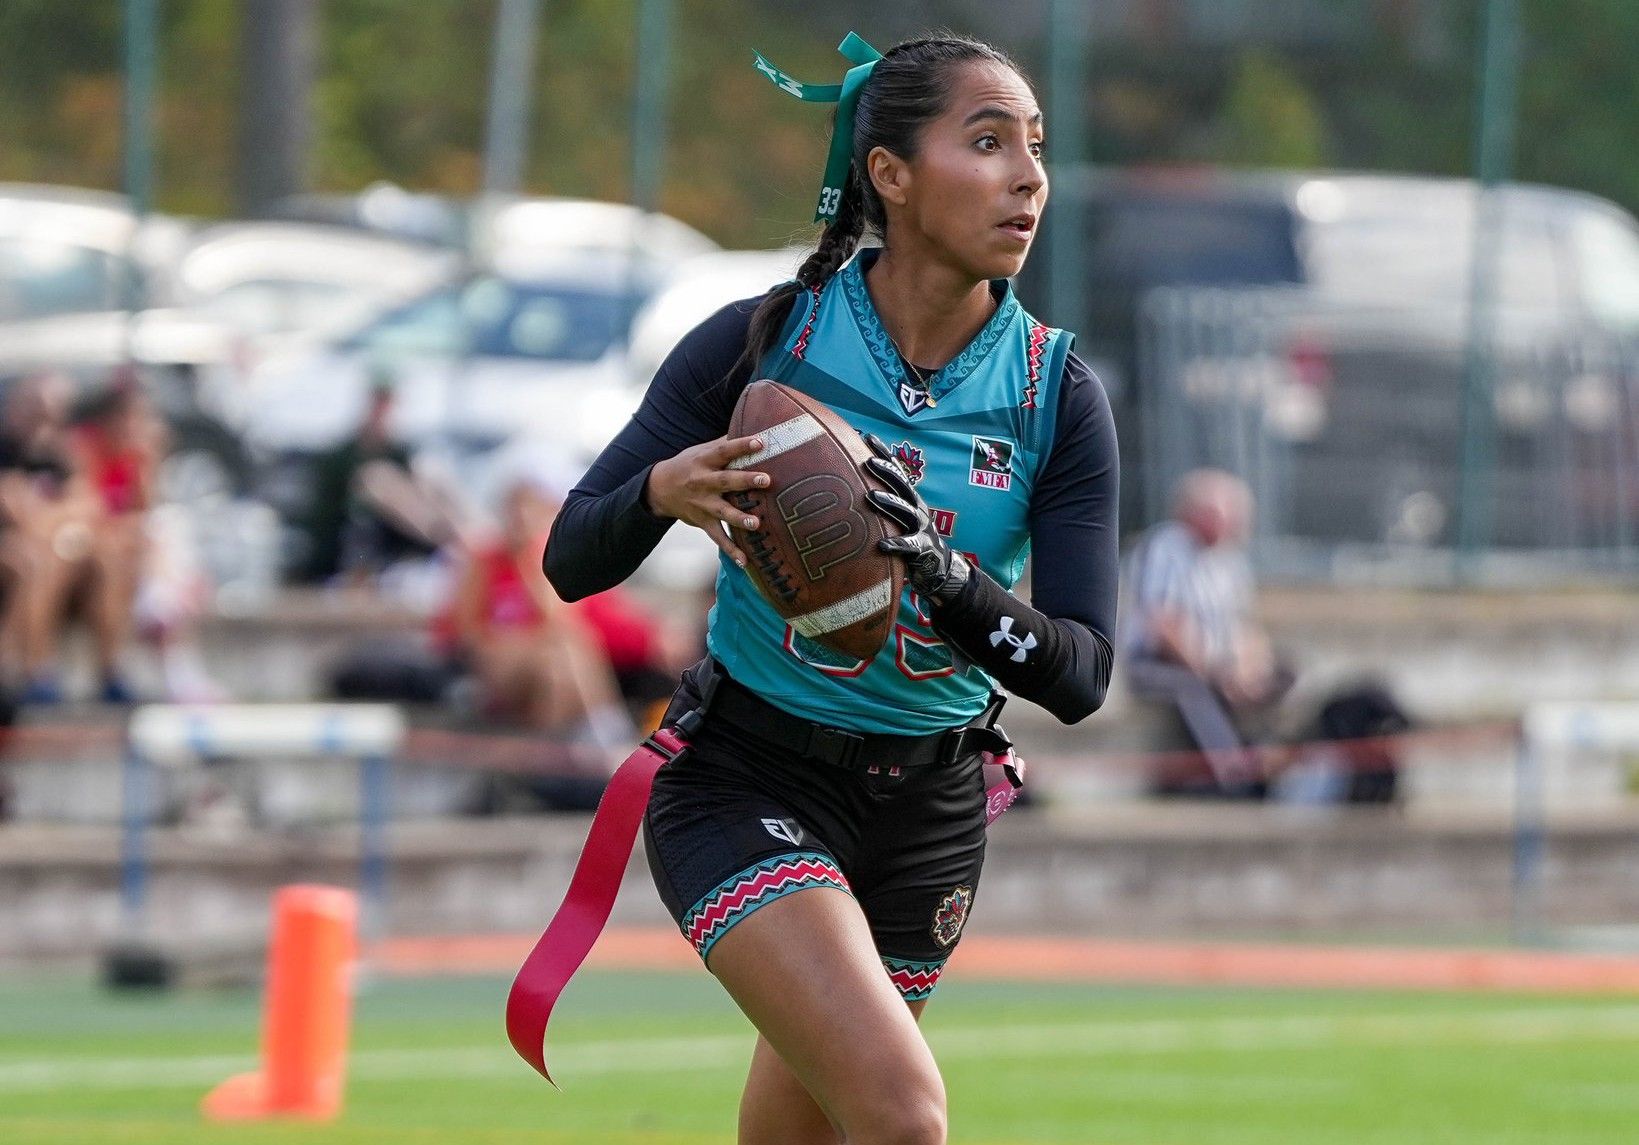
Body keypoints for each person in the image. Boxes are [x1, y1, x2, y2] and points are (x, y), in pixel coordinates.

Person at [544, 33, 1117, 1145]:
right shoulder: (761, 344)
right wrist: (662, 487)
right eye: (988, 141)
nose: (1028, 176)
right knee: (903, 1115)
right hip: (748, 778)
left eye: (1035, 147)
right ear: (889, 175)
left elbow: (1083, 674)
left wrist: (945, 581)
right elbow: (572, 557)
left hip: (931, 816)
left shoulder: (1056, 390)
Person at [1119, 468, 1292, 797]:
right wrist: (1215, 671)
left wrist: (1249, 668)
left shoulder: (1231, 561)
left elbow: (1244, 625)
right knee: (1191, 687)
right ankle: (1232, 773)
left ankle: (1269, 758)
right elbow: (1163, 624)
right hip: (1160, 664)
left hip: (1219, 665)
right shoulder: (1165, 548)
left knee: (1285, 672)